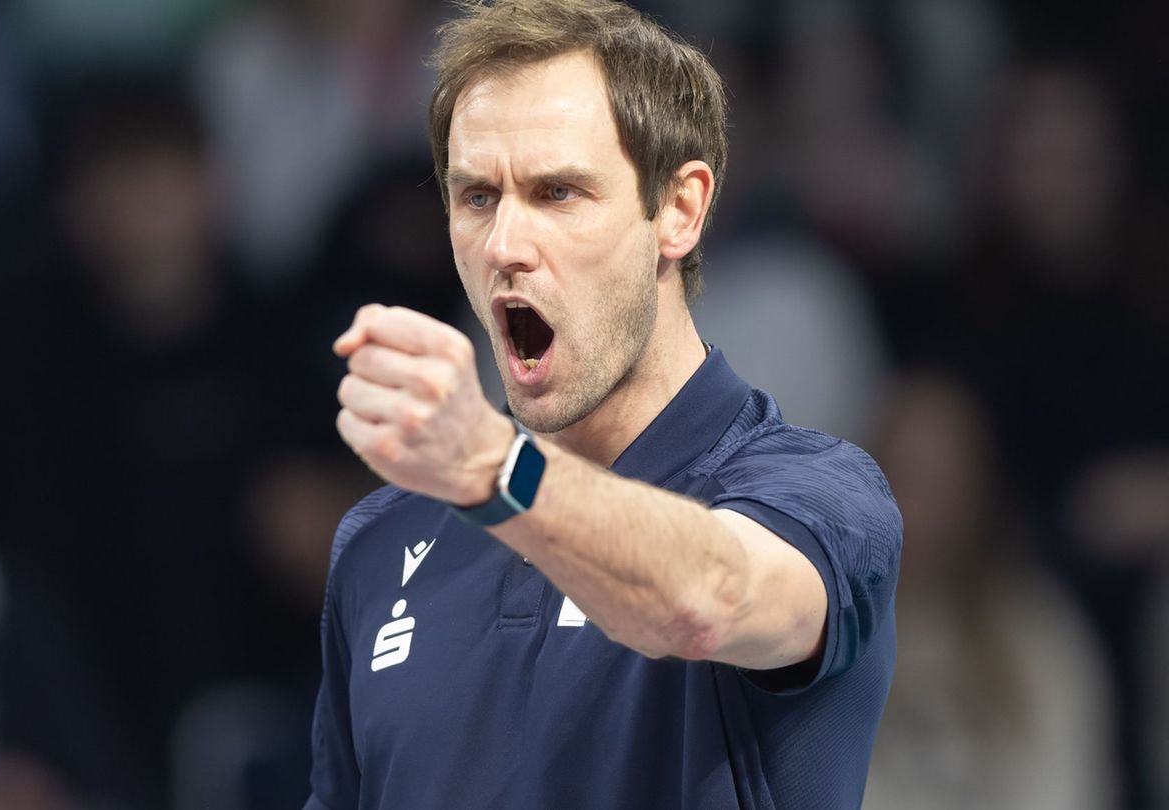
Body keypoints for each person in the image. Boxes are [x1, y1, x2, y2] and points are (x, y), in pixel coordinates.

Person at [304, 1, 902, 808]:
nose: (506, 246)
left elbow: (709, 598)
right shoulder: (380, 542)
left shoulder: (821, 492)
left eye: (558, 192)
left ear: (680, 210)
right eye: (477, 197)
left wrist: (491, 469)